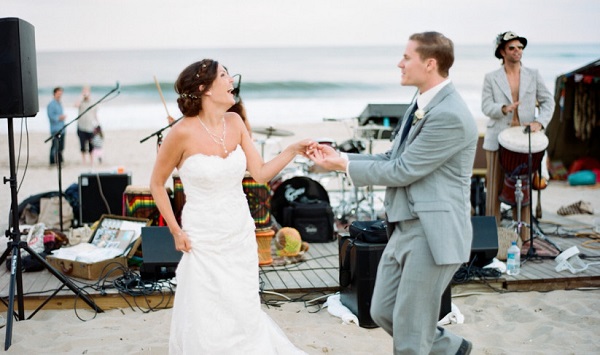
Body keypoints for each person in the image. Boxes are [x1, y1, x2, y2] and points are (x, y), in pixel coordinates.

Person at [308, 32, 477, 354]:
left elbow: (402, 171)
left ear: (429, 64)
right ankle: (451, 349)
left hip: (432, 232)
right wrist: (340, 158)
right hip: (404, 226)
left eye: (406, 57)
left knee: (411, 336)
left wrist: (341, 168)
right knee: (382, 311)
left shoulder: (449, 115)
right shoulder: (421, 102)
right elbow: (392, 158)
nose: (399, 63)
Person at [149, 59, 314, 354]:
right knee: (207, 305)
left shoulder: (235, 123)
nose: (231, 80)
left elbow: (261, 173)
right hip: (203, 235)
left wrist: (291, 150)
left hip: (238, 229)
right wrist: (175, 230)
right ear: (204, 89)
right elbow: (157, 184)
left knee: (242, 303)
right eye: (224, 75)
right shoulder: (181, 133)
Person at [481, 31, 555, 240]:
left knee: (523, 191)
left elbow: (548, 101)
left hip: (524, 142)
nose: (517, 51)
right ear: (502, 51)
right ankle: (491, 238)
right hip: (497, 139)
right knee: (494, 191)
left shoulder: (533, 74)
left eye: (520, 47)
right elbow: (486, 106)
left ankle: (524, 237)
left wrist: (539, 122)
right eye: (512, 48)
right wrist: (504, 108)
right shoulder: (491, 78)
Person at [75, 85, 99, 165]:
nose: (85, 93)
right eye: (84, 91)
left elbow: (95, 114)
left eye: (86, 91)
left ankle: (91, 160)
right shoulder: (80, 101)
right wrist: (81, 97)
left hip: (90, 127)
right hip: (81, 126)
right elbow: (76, 105)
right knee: (82, 145)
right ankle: (84, 161)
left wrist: (98, 124)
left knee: (91, 145)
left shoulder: (92, 102)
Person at [47, 87, 66, 166]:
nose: (60, 95)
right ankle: (52, 161)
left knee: (61, 146)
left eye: (61, 94)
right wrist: (59, 117)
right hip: (55, 129)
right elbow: (51, 116)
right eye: (59, 93)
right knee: (55, 146)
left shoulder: (59, 103)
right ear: (55, 93)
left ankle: (60, 160)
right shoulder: (51, 104)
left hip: (62, 128)